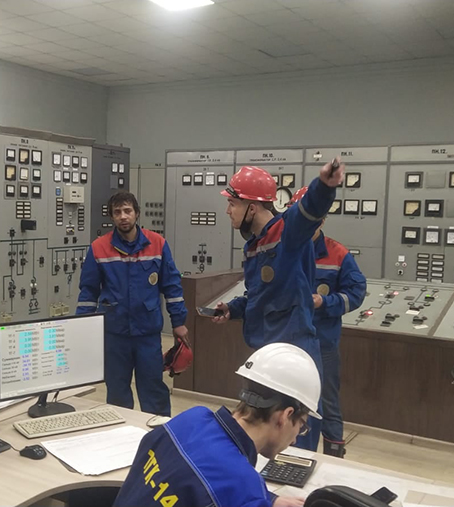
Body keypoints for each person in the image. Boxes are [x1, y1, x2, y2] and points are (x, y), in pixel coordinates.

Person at [212, 160, 343, 451]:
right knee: (263, 435)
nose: (227, 211)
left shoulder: (287, 233)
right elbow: (259, 295)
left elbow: (309, 210)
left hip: (294, 351)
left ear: (252, 208)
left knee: (295, 440)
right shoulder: (254, 245)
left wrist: (325, 186)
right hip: (267, 353)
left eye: (232, 203)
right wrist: (233, 309)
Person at [114, 343, 320, 507]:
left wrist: (267, 499)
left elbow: (213, 480)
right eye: (301, 426)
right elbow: (227, 485)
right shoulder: (243, 486)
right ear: (285, 415)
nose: (295, 439)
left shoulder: (191, 418)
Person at [76, 191, 187, 417]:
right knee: (117, 393)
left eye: (127, 211)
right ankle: (121, 433)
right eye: (117, 212)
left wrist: (179, 322)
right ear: (111, 217)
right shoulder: (99, 248)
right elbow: (88, 292)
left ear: (137, 213)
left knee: (153, 390)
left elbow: (172, 286)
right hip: (115, 334)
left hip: (147, 334)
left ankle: (158, 432)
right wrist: (82, 327)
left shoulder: (157, 244)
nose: (123, 216)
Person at [288, 190, 367, 457]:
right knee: (288, 398)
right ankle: (290, 453)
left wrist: (325, 302)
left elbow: (356, 293)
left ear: (321, 220)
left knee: (328, 402)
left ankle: (334, 457)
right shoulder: (283, 251)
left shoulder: (338, 254)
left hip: (323, 344)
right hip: (287, 342)